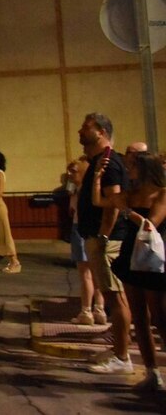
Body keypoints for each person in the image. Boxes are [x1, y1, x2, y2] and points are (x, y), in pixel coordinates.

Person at [93, 150, 166, 392]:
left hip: (154, 260)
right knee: (139, 317)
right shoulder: (129, 194)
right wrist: (96, 178)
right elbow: (100, 202)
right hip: (131, 257)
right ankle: (151, 372)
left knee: (160, 317)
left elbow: (150, 224)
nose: (128, 169)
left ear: (144, 169)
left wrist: (126, 211)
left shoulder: (162, 194)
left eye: (132, 165)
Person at [73, 113, 132, 376]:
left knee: (116, 298)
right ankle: (119, 349)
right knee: (112, 296)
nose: (80, 131)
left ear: (101, 131)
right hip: (98, 238)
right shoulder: (98, 161)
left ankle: (122, 357)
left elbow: (114, 205)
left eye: (86, 128)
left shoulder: (109, 163)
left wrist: (103, 237)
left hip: (108, 240)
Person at [65, 157, 107, 325]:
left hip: (81, 229)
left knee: (86, 274)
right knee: (96, 273)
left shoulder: (83, 190)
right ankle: (99, 310)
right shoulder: (87, 188)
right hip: (92, 231)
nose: (70, 174)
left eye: (74, 171)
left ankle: (86, 311)